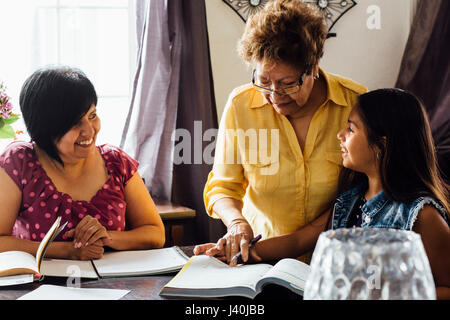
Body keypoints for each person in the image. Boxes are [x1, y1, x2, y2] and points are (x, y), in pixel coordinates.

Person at [196, 88, 450, 299]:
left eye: (350, 129)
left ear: (380, 145)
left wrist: (386, 294)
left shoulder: (422, 215)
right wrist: (241, 251)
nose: (340, 135)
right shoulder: (350, 200)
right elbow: (299, 240)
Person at [201, 0, 367, 264]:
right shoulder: (241, 105)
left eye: (288, 84)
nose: (274, 95)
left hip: (337, 262)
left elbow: (367, 188)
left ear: (314, 66)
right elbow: (222, 187)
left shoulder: (355, 104)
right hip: (261, 262)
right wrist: (236, 224)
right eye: (263, 81)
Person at [0, 66, 165, 261]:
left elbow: (155, 234)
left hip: (114, 287)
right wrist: (69, 251)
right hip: (40, 287)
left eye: (92, 116)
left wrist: (105, 237)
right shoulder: (19, 161)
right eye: (75, 122)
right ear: (46, 127)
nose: (89, 130)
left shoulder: (116, 162)